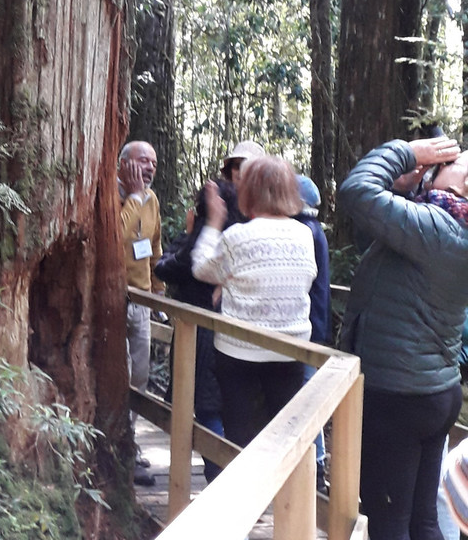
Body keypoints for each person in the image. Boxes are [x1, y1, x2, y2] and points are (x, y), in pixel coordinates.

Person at [339, 135, 468, 540]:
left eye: (449, 161)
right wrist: (403, 187)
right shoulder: (445, 226)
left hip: (399, 397)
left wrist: (407, 151)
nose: (437, 161)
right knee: (421, 521)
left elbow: (356, 191)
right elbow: (374, 242)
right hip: (433, 391)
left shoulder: (436, 227)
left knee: (389, 523)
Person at [155, 140, 264, 482]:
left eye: (248, 169)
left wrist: (196, 237)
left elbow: (180, 266)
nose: (240, 176)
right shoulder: (211, 216)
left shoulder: (252, 221)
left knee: (218, 407)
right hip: (205, 331)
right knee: (212, 406)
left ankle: (227, 484)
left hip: (231, 330)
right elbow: (171, 267)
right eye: (236, 169)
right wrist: (194, 234)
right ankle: (225, 483)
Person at [191, 155, 317, 448]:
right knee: (285, 441)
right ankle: (285, 494)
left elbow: (201, 268)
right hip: (292, 349)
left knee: (242, 440)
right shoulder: (305, 234)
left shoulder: (236, 236)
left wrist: (213, 223)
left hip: (240, 353)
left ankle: (247, 492)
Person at [119, 140, 163, 486]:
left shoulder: (153, 200)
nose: (148, 167)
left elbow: (155, 245)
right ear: (123, 164)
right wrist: (133, 197)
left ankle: (129, 442)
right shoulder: (114, 194)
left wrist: (159, 289)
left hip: (143, 301)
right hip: (115, 300)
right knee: (121, 373)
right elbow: (118, 235)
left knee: (141, 376)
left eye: (153, 163)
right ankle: (117, 448)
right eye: (141, 161)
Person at [295, 174, 331, 492]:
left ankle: (316, 466)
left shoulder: (304, 230)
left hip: (308, 328)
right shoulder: (313, 230)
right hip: (314, 325)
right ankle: (314, 465)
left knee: (306, 396)